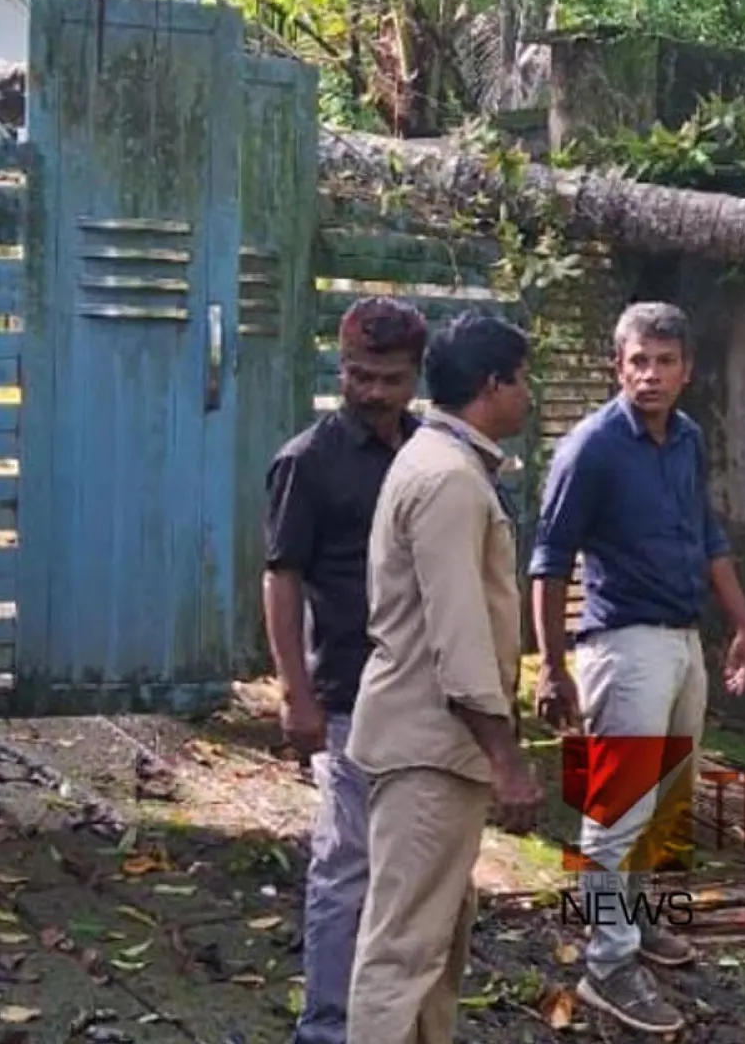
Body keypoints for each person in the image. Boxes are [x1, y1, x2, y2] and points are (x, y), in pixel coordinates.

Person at [528, 300, 745, 1035]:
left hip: (681, 638)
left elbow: (708, 534)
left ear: (686, 370)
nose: (649, 375)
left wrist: (744, 623)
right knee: (614, 813)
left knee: (662, 805)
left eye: (663, 362)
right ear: (616, 366)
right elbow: (549, 561)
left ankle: (638, 927)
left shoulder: (687, 439)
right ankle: (606, 965)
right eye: (637, 362)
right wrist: (549, 667)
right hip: (620, 645)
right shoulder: (591, 448)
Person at [345, 312, 543, 1044]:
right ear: (493, 386)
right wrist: (508, 763)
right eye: (523, 380)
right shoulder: (448, 479)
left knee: (435, 941)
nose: (529, 395)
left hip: (431, 742)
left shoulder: (438, 462)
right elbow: (458, 642)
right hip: (428, 742)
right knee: (404, 950)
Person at [261, 295, 428, 1044]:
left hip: (425, 691)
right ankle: (324, 1026)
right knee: (344, 865)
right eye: (359, 375)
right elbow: (281, 577)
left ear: (415, 377)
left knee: (411, 870)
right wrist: (293, 693)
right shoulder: (308, 460)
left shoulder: (429, 453)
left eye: (389, 379)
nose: (372, 392)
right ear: (340, 367)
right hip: (349, 689)